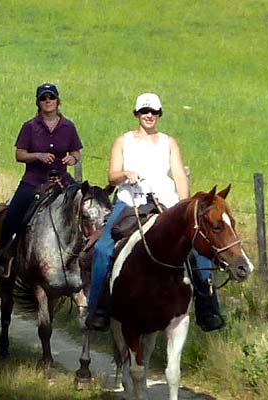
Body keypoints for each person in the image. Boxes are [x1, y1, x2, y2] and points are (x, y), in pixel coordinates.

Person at [84, 92, 225, 332]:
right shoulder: (123, 141)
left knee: (197, 247)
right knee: (103, 248)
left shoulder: (168, 142)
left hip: (166, 203)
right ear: (136, 114)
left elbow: (179, 175)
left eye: (153, 112)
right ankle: (98, 308)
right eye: (144, 112)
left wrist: (184, 206)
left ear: (159, 115)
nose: (149, 116)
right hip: (130, 201)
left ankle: (207, 307)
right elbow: (112, 176)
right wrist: (126, 174)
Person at [0, 83, 83, 278]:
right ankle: (4, 258)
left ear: (58, 100)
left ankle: (80, 260)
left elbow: (76, 151)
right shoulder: (30, 126)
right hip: (34, 179)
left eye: (51, 97)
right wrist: (38, 155)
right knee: (14, 215)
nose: (48, 101)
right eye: (43, 98)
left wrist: (72, 158)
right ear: (38, 102)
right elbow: (19, 155)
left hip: (62, 179)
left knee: (85, 208)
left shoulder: (68, 126)